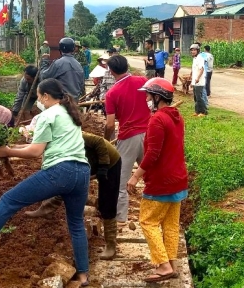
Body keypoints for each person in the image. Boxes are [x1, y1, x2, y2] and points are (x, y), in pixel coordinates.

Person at [0, 79, 91, 286]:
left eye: (38, 96)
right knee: (76, 222)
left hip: (61, 172)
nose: (38, 101)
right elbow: (43, 144)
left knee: (8, 200)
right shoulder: (68, 113)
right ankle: (82, 274)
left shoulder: (47, 115)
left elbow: (35, 152)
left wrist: (7, 151)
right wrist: (15, 145)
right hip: (82, 172)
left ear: (45, 96)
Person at [25, 131, 122, 260]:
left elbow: (99, 141)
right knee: (67, 181)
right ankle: (47, 208)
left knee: (107, 204)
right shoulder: (54, 145)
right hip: (90, 162)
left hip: (110, 163)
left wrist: (103, 167)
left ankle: (111, 246)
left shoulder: (72, 133)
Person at [127, 78, 187, 283]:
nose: (146, 98)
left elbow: (152, 154)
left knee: (148, 221)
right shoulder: (177, 116)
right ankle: (172, 263)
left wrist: (135, 177)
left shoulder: (157, 120)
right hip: (178, 180)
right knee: (170, 224)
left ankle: (162, 265)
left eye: (148, 95)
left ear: (157, 97)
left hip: (161, 182)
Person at [104, 55, 151, 224]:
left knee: (120, 180)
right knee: (151, 176)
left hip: (128, 137)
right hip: (149, 134)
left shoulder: (112, 93)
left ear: (111, 71)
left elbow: (110, 124)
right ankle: (155, 213)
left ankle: (120, 217)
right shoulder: (142, 81)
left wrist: (105, 140)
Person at [189, 44, 207, 117]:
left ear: (198, 51)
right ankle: (197, 111)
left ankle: (203, 112)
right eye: (192, 50)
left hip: (199, 81)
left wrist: (198, 78)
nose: (193, 51)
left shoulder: (200, 58)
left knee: (199, 97)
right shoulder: (195, 59)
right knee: (195, 98)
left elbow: (201, 69)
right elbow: (194, 69)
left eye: (194, 50)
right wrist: (191, 77)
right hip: (195, 81)